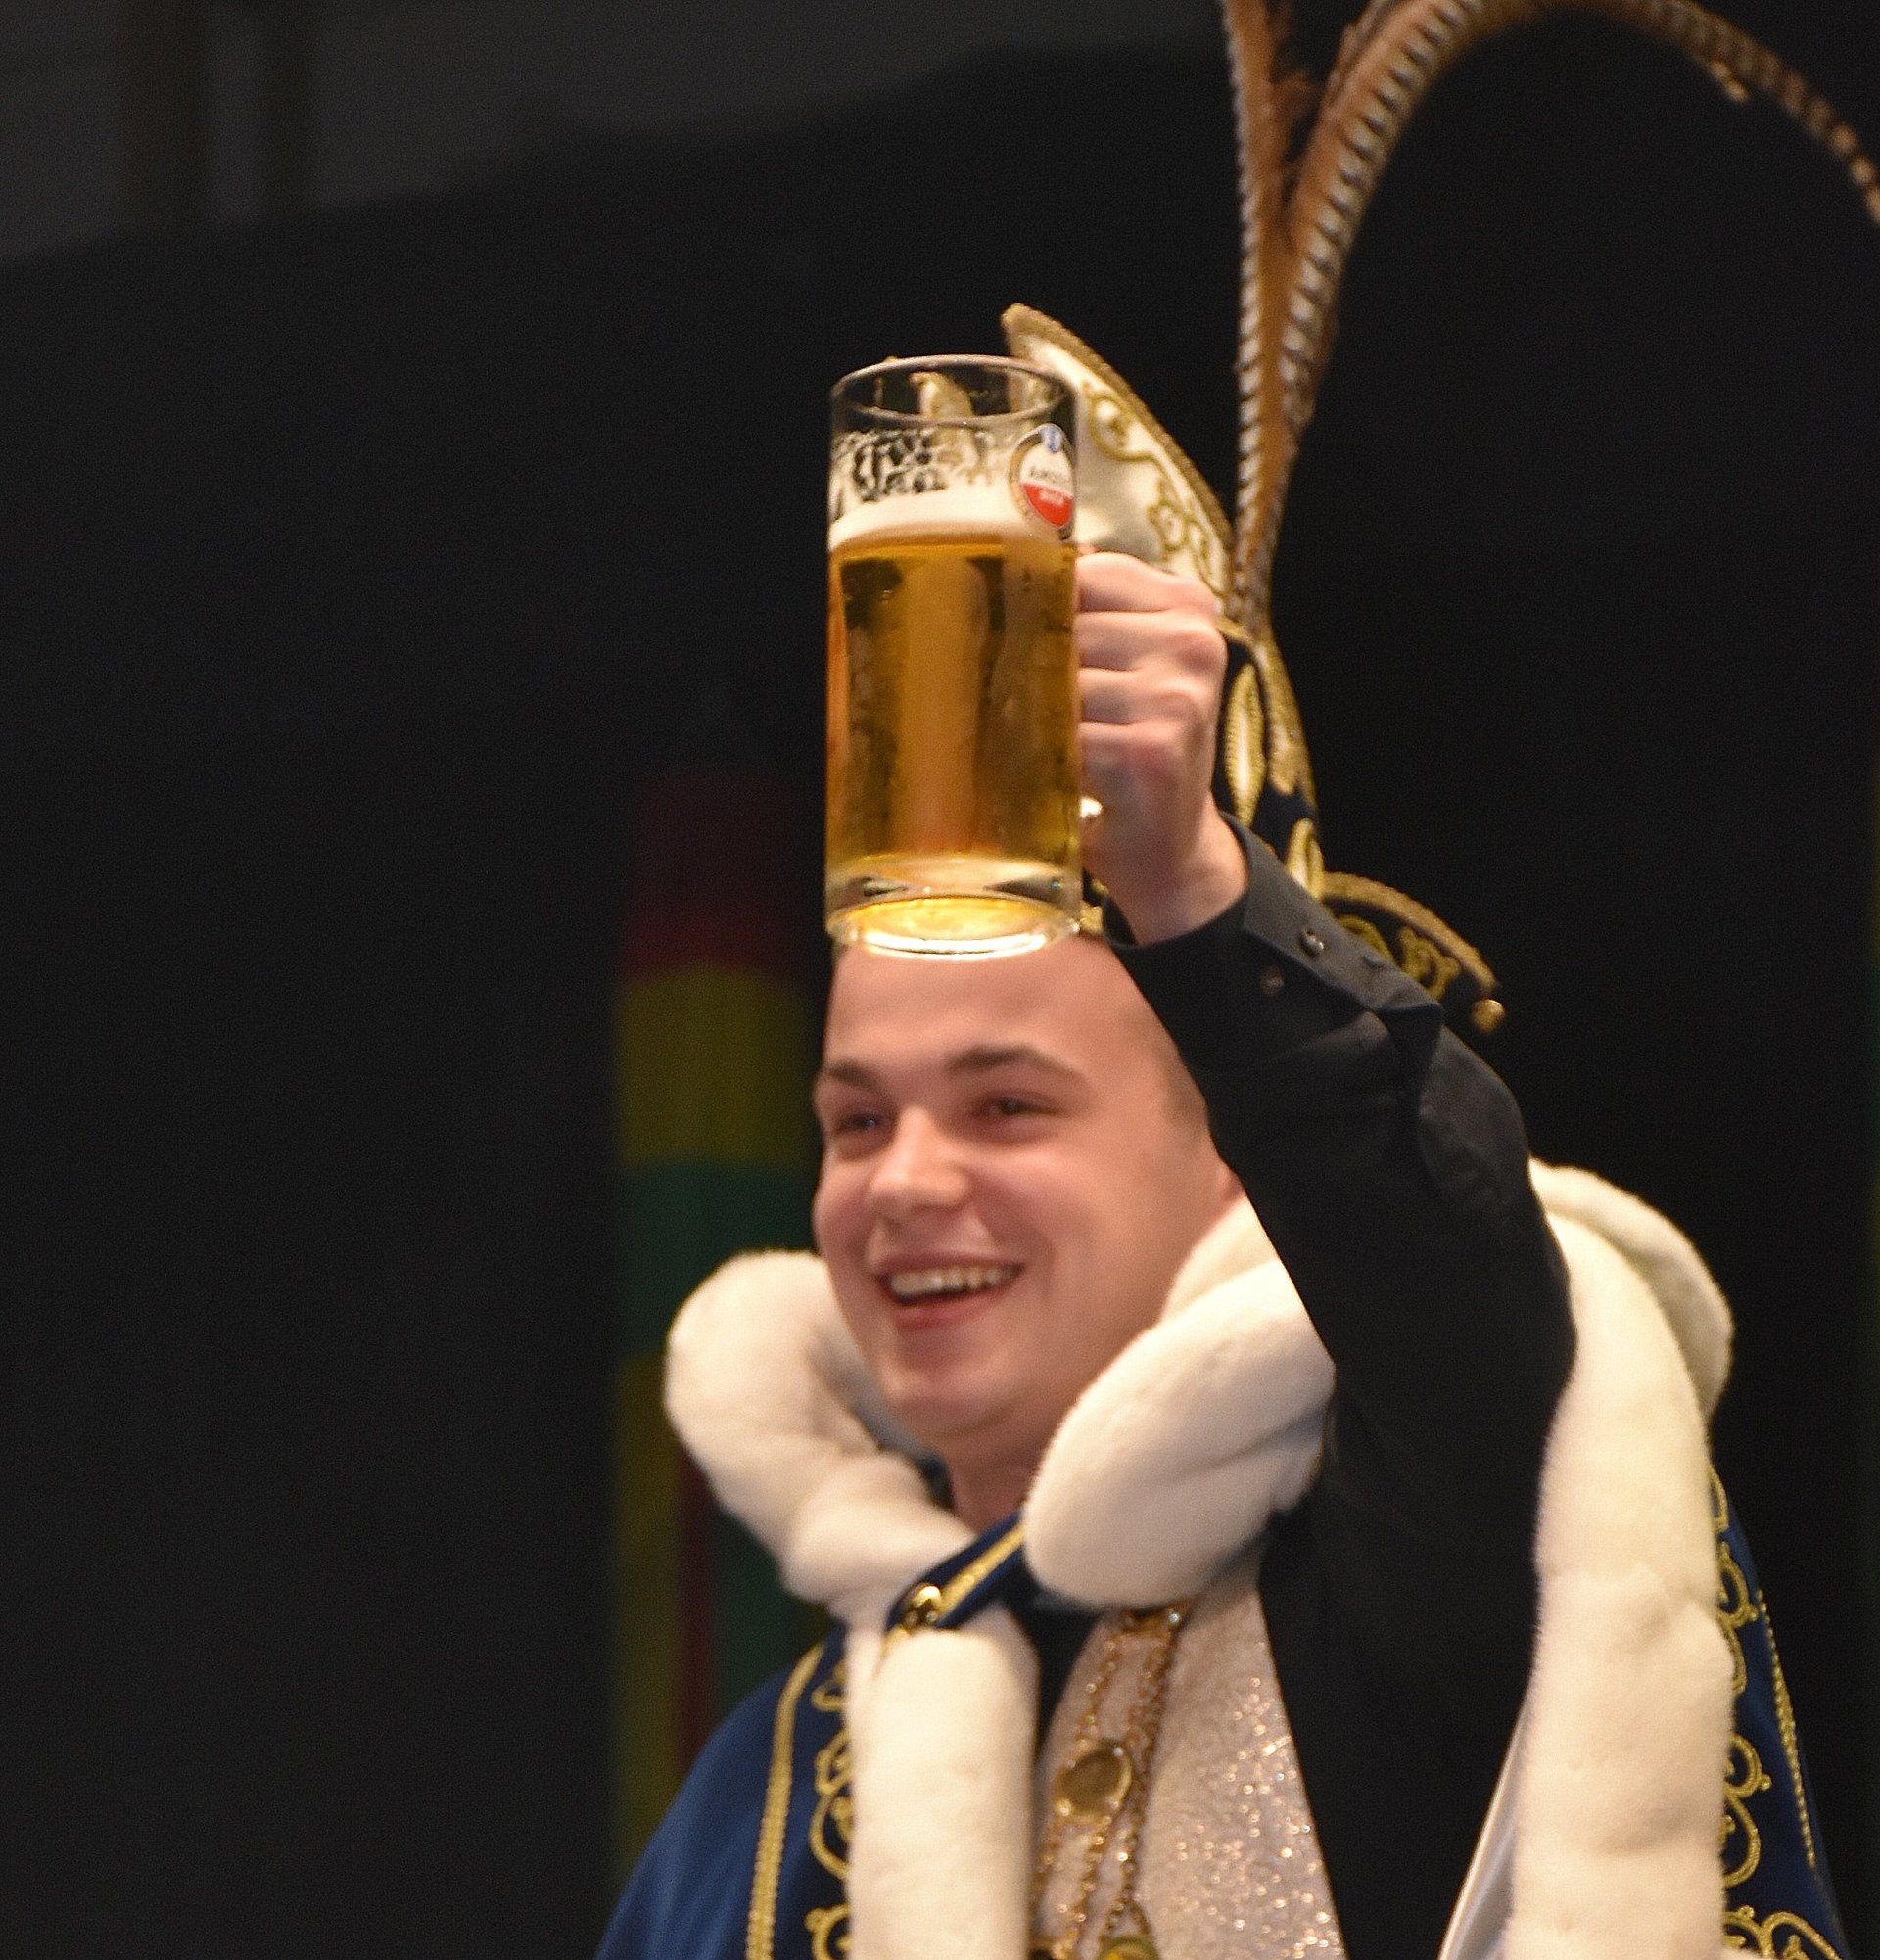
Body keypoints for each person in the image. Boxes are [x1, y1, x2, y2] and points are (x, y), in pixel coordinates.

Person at [597, 543, 1844, 1960]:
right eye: (857, 1120)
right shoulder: (753, 1805)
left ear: (1240, 1156)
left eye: (1009, 1107)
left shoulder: (1400, 1587)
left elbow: (1452, 1300)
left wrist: (1187, 883)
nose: (906, 1180)